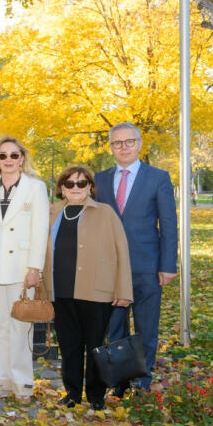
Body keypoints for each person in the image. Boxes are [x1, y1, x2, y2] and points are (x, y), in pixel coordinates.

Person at [96, 122, 177, 395]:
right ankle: (118, 383)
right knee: (114, 326)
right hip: (111, 269)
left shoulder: (158, 177)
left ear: (140, 143)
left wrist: (167, 265)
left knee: (145, 328)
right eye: (117, 143)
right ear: (111, 147)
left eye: (129, 141)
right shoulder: (100, 179)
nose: (124, 147)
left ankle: (142, 381)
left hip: (148, 266)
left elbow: (168, 224)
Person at [44, 165, 133, 411]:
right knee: (69, 345)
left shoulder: (105, 213)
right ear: (62, 188)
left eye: (81, 183)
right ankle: (72, 393)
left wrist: (123, 290)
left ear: (90, 187)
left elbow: (122, 251)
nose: (75, 188)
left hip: (97, 290)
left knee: (95, 344)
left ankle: (96, 395)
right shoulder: (51, 212)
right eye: (70, 183)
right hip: (61, 289)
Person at [0, 136, 49, 404]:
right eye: (3, 156)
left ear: (22, 158)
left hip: (20, 267)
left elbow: (40, 230)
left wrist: (34, 267)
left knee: (19, 326)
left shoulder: (35, 188)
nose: (9, 161)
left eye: (14, 155)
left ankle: (23, 383)